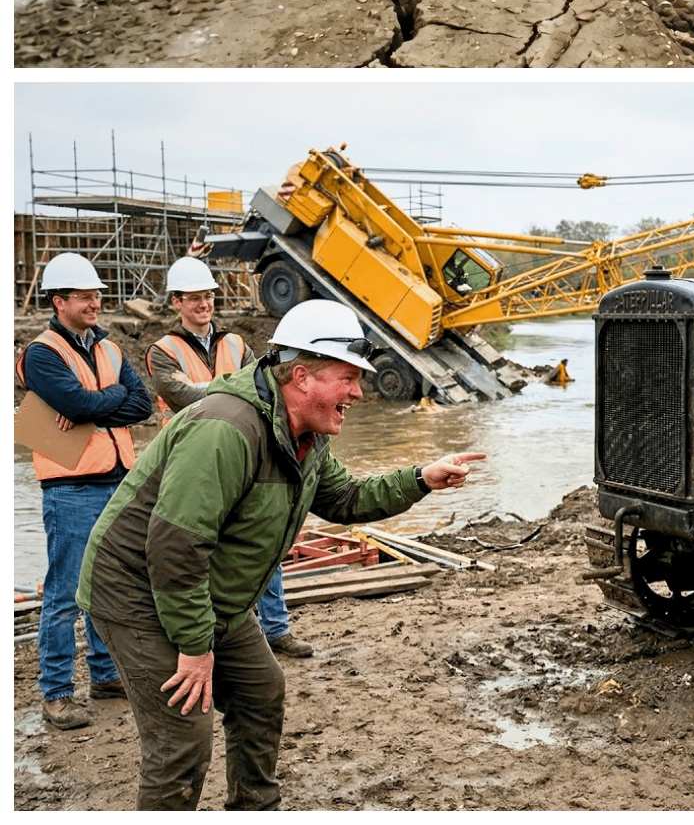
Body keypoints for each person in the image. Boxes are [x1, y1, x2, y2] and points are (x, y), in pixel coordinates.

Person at [77, 300, 484, 810]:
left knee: (260, 693)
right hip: (139, 593)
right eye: (348, 379)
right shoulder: (226, 428)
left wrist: (420, 478)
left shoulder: (303, 435)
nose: (359, 392)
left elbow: (346, 499)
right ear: (302, 377)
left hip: (207, 594)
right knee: (182, 739)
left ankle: (254, 808)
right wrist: (195, 646)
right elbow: (176, 547)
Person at [145, 257, 311, 659]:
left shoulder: (235, 343)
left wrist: (214, 389)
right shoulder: (162, 351)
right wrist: (233, 389)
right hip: (194, 461)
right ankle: (214, 635)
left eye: (208, 296)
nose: (204, 304)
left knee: (260, 542)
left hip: (245, 454)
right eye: (195, 298)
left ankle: (276, 628)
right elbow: (179, 395)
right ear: (177, 302)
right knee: (203, 551)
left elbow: (265, 386)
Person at [15, 252, 153, 731]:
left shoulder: (110, 347)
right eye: (86, 296)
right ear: (60, 301)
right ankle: (56, 694)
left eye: (97, 295)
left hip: (118, 480)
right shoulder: (42, 353)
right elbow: (76, 400)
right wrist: (97, 403)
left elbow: (141, 405)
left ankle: (105, 675)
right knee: (65, 594)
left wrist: (93, 408)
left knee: (109, 586)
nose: (96, 302)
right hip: (71, 485)